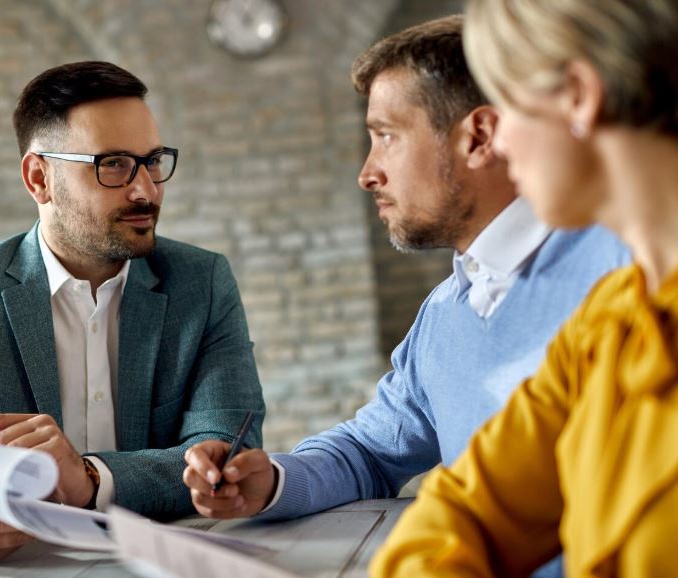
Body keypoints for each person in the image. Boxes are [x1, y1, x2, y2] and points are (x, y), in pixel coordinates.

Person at [182, 15, 629, 577]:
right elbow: (370, 452)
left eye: (387, 136)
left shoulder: (626, 269)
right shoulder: (445, 312)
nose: (367, 174)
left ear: (479, 138)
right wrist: (272, 481)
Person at [0, 61, 265, 562]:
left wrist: (92, 478)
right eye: (113, 164)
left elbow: (225, 452)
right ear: (39, 178)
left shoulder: (202, 283)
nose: (146, 190)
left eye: (152, 160)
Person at [373, 1, 678, 576]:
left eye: (507, 103)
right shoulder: (609, 324)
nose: (501, 142)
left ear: (578, 97)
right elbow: (466, 509)